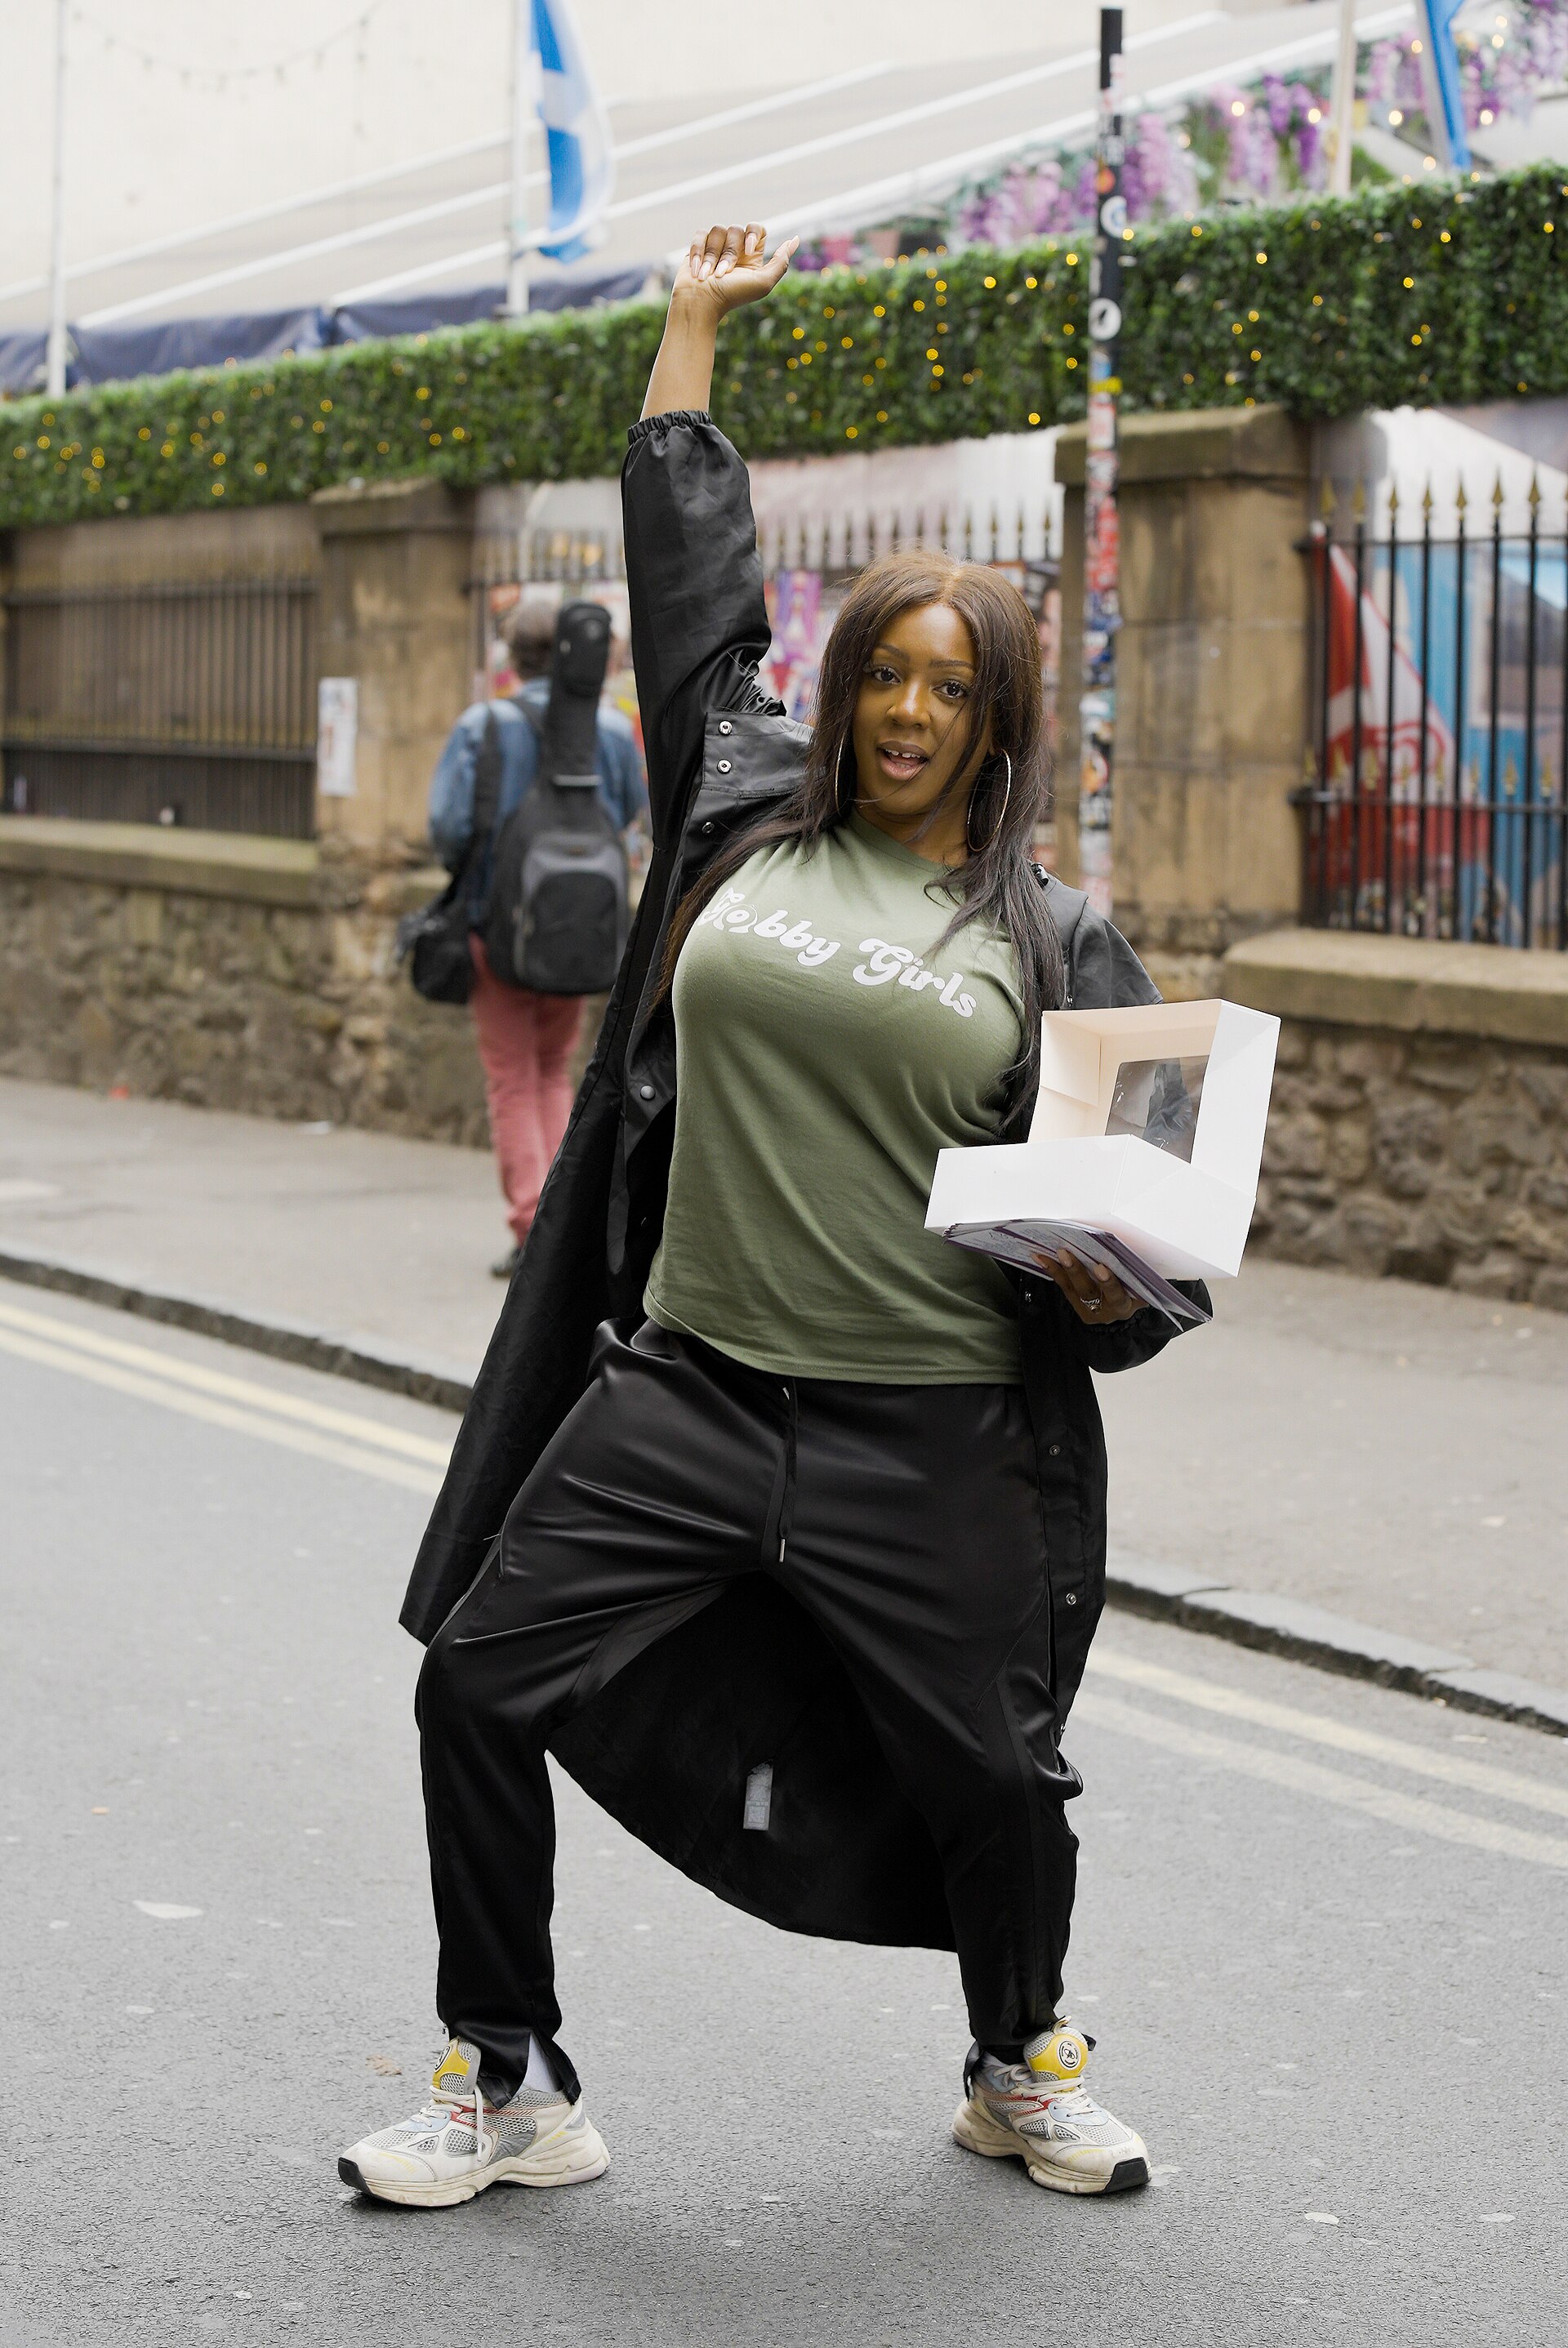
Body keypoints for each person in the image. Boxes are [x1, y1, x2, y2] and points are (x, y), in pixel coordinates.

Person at [341, 222, 1209, 2211]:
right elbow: (689, 584)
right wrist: (692, 331)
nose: (909, 710)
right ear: (843, 692)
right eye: (885, 674)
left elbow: (1153, 1237)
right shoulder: (741, 808)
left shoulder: (1052, 935)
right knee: (473, 1676)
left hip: (929, 1424)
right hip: (692, 1389)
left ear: (996, 723)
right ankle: (508, 2070)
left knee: (1000, 1773)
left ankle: (1014, 2057)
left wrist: (1107, 1275)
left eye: (950, 687)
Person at [427, 595, 648, 1277]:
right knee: (555, 1071)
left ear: (515, 655)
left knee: (511, 1079)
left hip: (498, 926)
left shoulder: (484, 725)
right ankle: (561, 1221)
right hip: (583, 928)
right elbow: (635, 809)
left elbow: (448, 827)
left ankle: (532, 1229)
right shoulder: (611, 730)